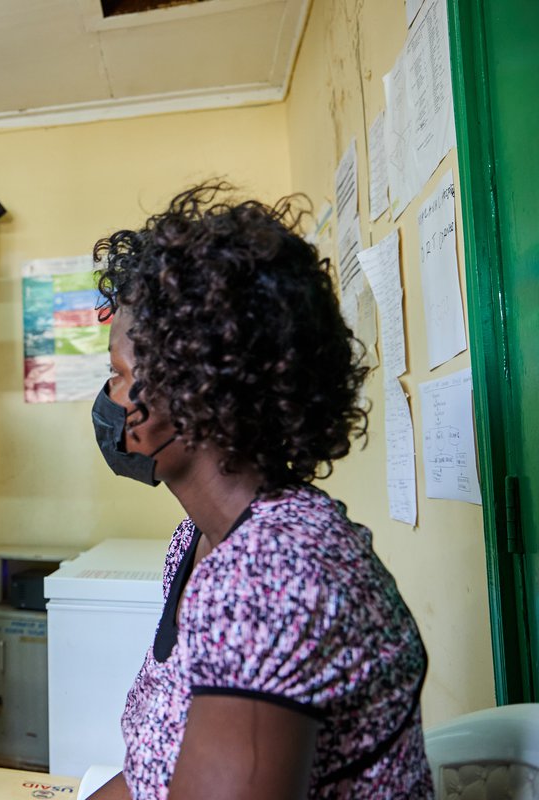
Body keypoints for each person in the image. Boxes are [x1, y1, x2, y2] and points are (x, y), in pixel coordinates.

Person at [86, 184, 431, 799]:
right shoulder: (199, 542)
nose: (107, 401)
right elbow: (151, 776)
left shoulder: (271, 574)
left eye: (118, 374)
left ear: (195, 391)